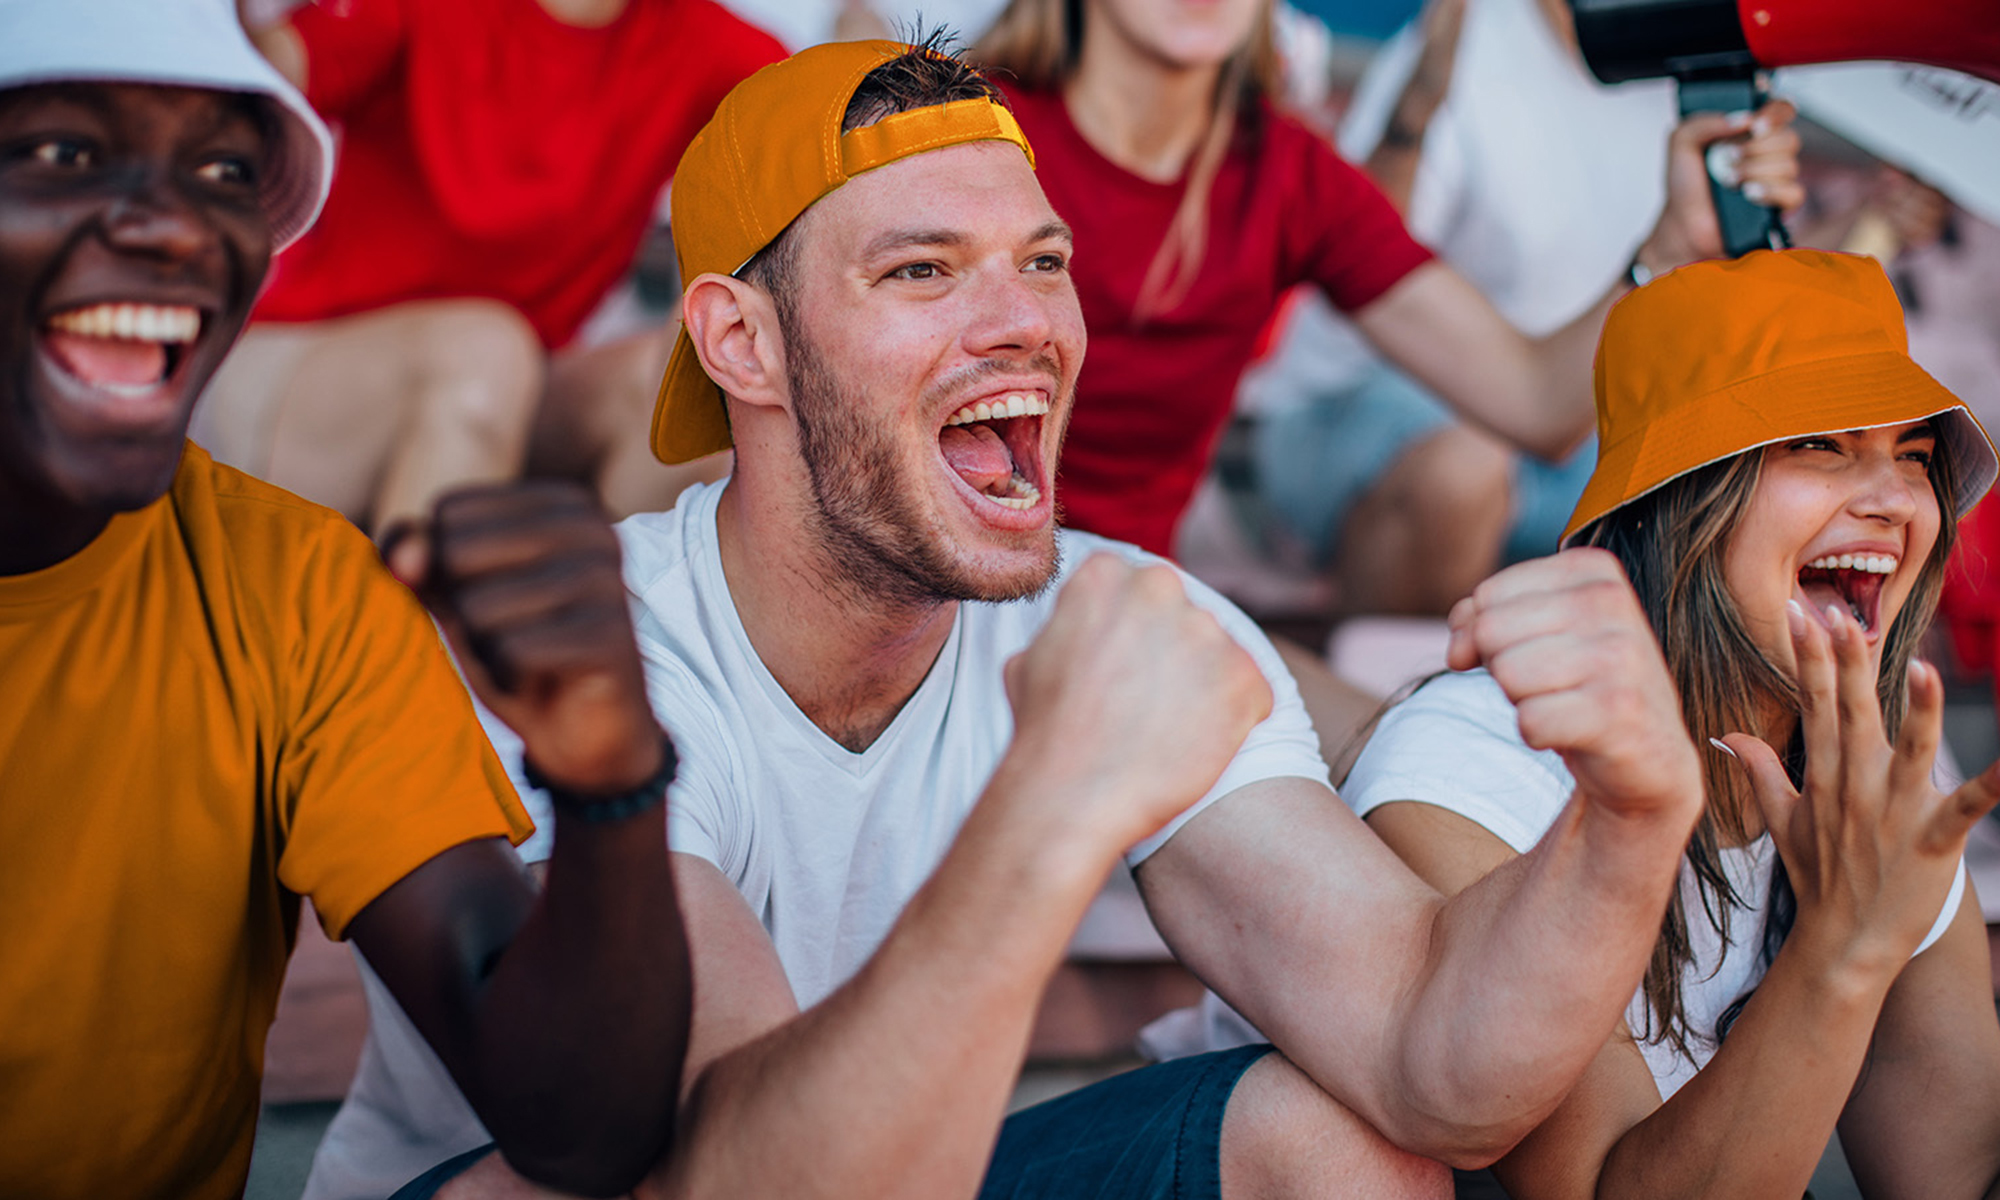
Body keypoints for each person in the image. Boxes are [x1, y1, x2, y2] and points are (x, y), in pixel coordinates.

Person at [366, 36, 1729, 1200]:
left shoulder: (1127, 613)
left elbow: (1436, 1066)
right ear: (743, 345)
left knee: (1348, 1151)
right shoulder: (603, 657)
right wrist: (1054, 806)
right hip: (606, 1176)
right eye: (921, 272)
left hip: (875, 1152)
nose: (1024, 322)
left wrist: (1626, 826)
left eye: (1044, 259)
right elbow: (733, 1170)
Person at [0, 2, 695, 1196]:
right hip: (330, 373)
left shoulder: (299, 587)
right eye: (64, 152)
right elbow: (297, 55)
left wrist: (611, 783)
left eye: (223, 168)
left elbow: (577, 1126)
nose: (171, 222)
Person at [1330, 250, 2000, 1197]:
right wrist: (1845, 945)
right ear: (1679, 498)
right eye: (1820, 445)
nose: (1895, 501)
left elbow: (1950, 1178)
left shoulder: (1877, 784)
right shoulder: (1472, 768)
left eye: (1916, 456)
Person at [970, 0, 1798, 626]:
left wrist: (1672, 242)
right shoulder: (963, 131)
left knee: (1391, 756)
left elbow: (1536, 404)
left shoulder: (1292, 175)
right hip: (949, 586)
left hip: (1124, 607)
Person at [207, 0, 783, 534]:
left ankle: (616, 630)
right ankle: (418, 640)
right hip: (298, 379)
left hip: (505, 391)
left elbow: (833, 127)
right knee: (487, 350)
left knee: (693, 370)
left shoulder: (700, 40)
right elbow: (244, 79)